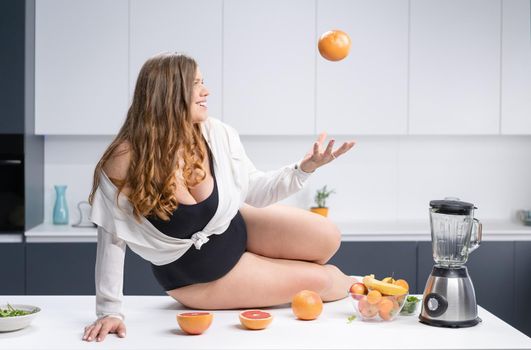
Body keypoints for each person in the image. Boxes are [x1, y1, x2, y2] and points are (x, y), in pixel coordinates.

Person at [82, 52, 356, 342]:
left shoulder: (215, 134)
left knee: (328, 236)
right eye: (196, 83)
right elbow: (112, 238)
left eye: (204, 81)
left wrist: (304, 169)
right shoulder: (125, 158)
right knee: (325, 281)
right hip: (203, 276)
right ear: (168, 94)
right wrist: (109, 311)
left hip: (236, 230)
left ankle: (284, 272)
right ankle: (364, 287)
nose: (206, 91)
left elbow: (255, 190)